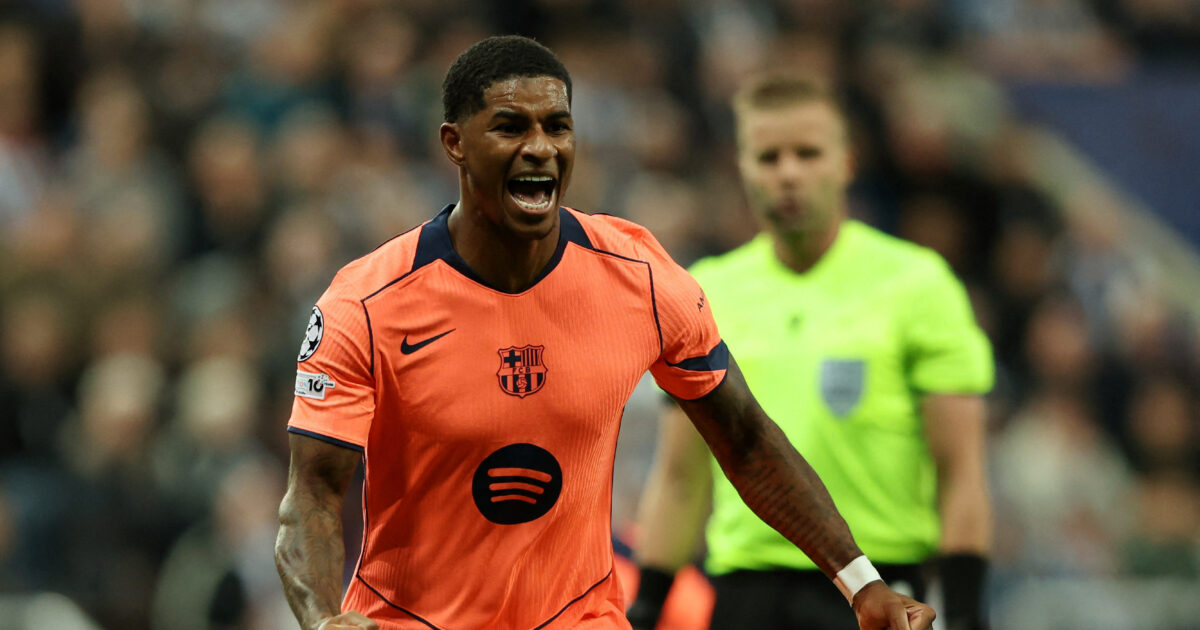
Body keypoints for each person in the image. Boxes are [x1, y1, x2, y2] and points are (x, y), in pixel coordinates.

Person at [274, 35, 934, 630]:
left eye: (557, 126)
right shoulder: (367, 304)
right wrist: (324, 620)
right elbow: (312, 494)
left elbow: (747, 441)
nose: (541, 146)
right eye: (510, 126)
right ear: (455, 143)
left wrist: (862, 584)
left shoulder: (638, 276)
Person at [627, 73, 995, 630]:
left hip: (878, 586)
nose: (789, 173)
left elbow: (961, 471)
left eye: (807, 153)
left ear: (846, 162)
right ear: (743, 167)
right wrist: (648, 604)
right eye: (768, 157)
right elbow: (680, 476)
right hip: (745, 590)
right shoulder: (706, 291)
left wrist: (966, 612)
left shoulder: (919, 286)